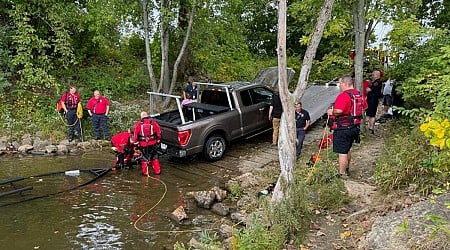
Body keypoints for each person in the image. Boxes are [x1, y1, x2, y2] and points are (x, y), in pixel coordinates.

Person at [327, 75, 367, 177]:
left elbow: (339, 111)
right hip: (354, 127)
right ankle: (347, 169)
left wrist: (331, 111)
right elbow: (364, 107)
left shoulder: (343, 96)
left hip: (343, 128)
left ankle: (341, 174)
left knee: (342, 152)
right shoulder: (358, 94)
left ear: (345, 84)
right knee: (347, 149)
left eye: (340, 83)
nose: (339, 86)